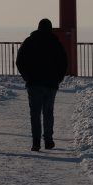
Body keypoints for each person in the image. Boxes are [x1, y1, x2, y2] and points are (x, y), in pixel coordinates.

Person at [16, 18, 68, 152]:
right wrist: (58, 78)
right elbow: (63, 62)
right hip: (51, 84)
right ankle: (49, 140)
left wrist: (26, 76)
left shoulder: (29, 41)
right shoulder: (55, 42)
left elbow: (20, 60)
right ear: (50, 29)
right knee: (48, 112)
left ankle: (36, 142)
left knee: (35, 113)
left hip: (33, 83)